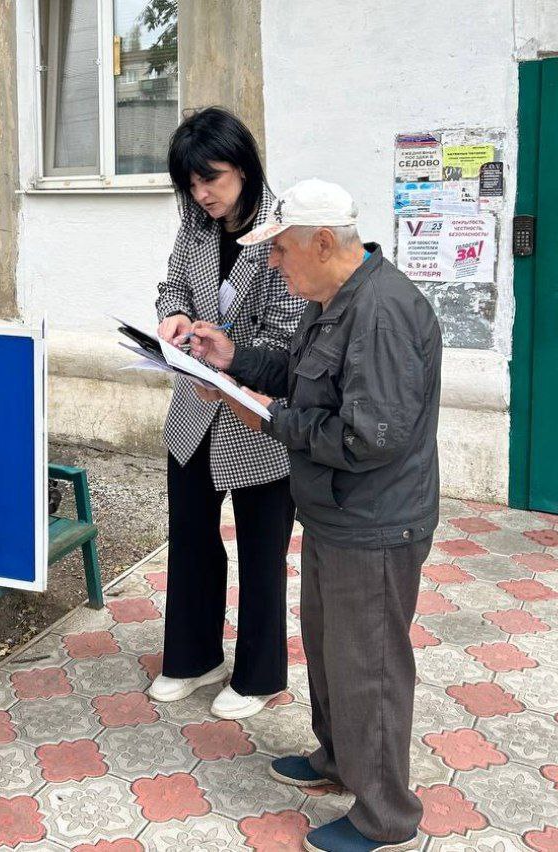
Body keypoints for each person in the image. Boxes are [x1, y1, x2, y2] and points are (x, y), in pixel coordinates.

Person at [186, 178, 442, 852]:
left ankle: (387, 820)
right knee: (333, 652)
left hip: (376, 522)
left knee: (372, 668)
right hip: (336, 514)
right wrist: (232, 357)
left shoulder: (382, 311)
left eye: (281, 252)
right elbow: (300, 371)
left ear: (323, 242)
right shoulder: (332, 299)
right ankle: (337, 761)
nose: (273, 264)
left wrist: (270, 420)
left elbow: (371, 434)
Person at [149, 107, 306, 720]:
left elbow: (293, 334)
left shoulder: (279, 228)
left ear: (241, 166)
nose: (202, 193)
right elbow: (171, 288)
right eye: (190, 183)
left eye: (210, 178)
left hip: (257, 418)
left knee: (261, 551)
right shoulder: (193, 226)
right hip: (193, 412)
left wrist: (231, 355)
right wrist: (175, 319)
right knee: (190, 538)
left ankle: (260, 674)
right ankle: (192, 657)